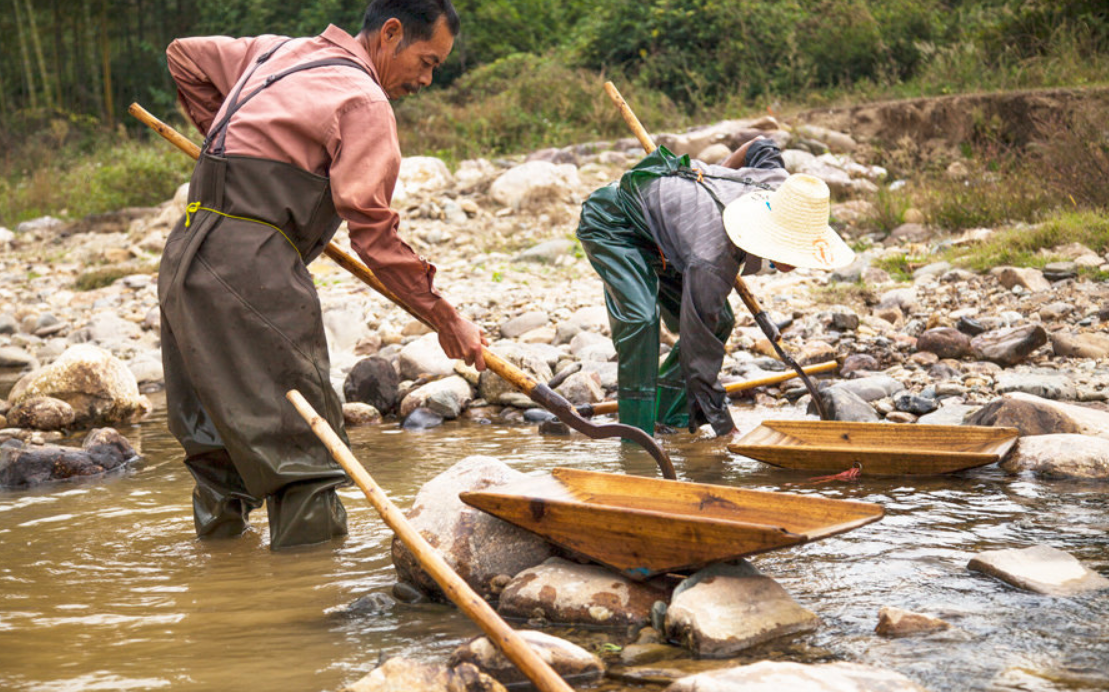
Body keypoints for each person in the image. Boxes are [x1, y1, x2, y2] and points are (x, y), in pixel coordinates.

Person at [159, 0, 485, 550]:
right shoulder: (363, 100)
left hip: (185, 259)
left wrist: (229, 140)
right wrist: (444, 317)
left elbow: (184, 57)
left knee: (215, 447)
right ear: (390, 33)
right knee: (304, 453)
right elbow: (375, 235)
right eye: (427, 61)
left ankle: (223, 591)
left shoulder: (274, 52)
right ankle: (310, 611)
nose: (427, 79)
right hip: (253, 274)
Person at [575, 136, 854, 438]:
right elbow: (699, 351)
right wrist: (725, 427)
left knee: (720, 319)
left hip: (669, 243)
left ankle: (668, 415)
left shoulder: (784, 188)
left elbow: (760, 144)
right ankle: (637, 442)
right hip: (614, 224)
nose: (796, 261)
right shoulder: (714, 256)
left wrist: (711, 181)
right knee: (642, 323)